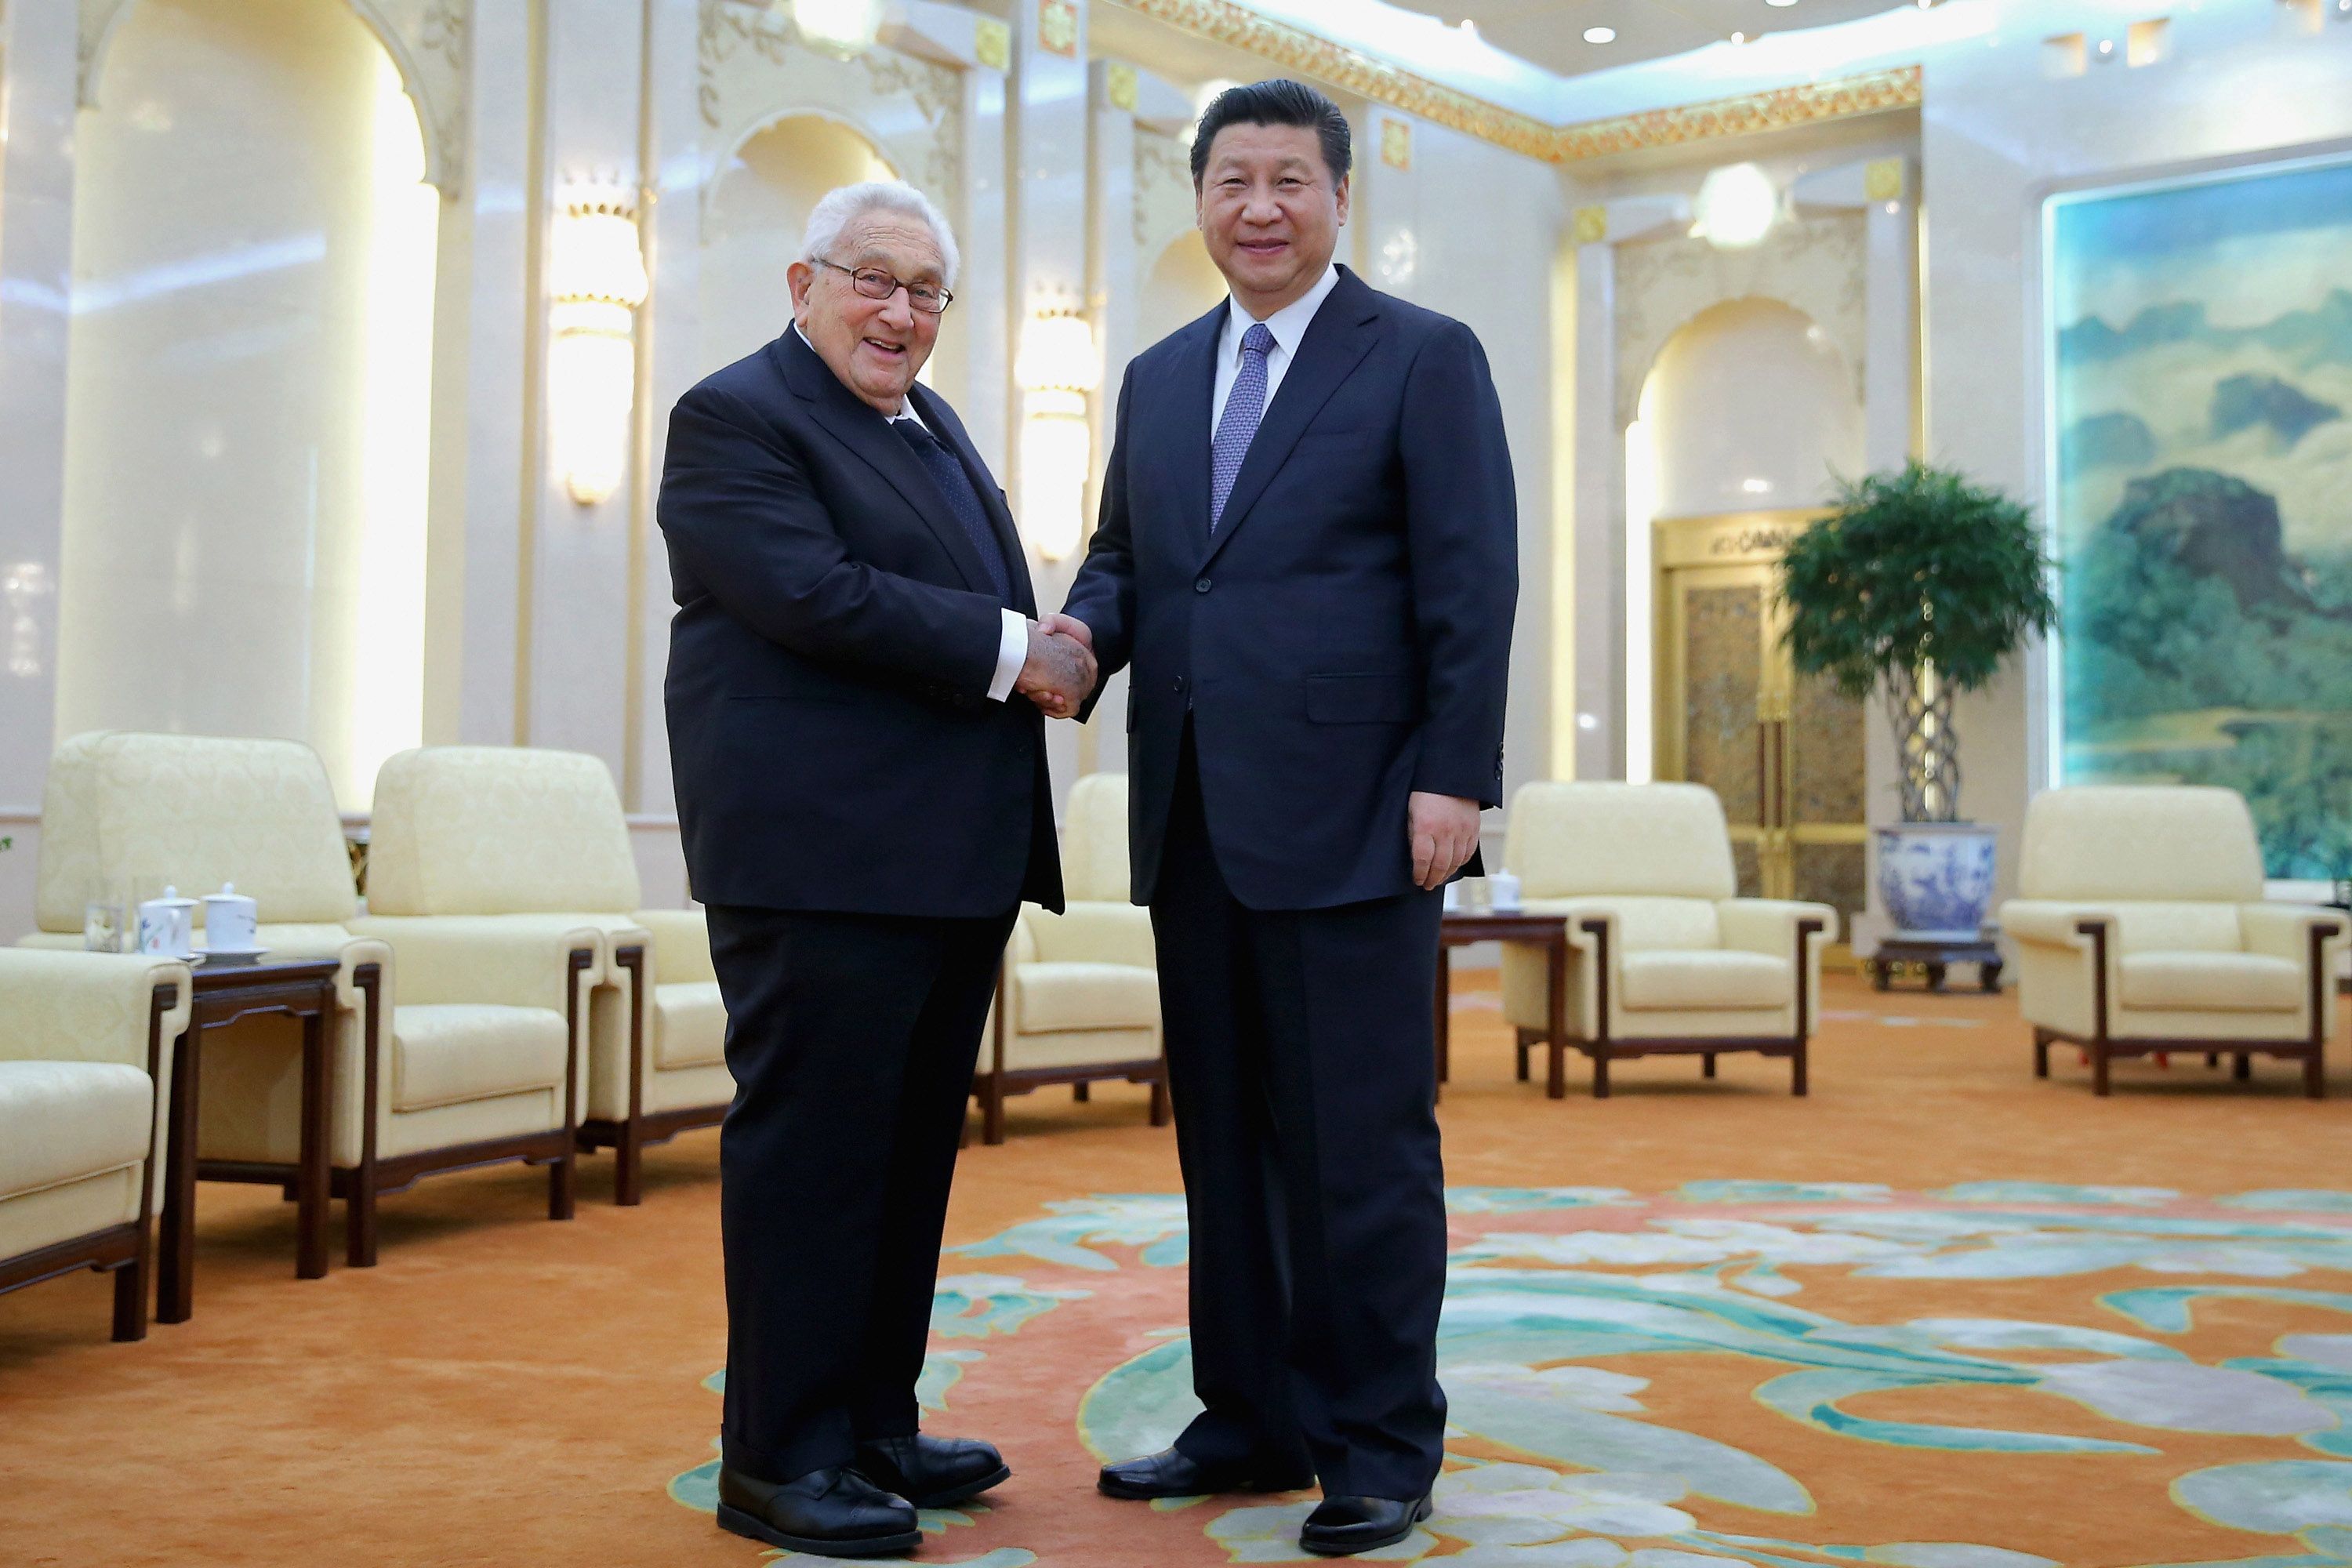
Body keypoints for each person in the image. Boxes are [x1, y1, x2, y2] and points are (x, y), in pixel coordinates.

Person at [1044, 78, 1518, 1559]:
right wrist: (1073, 637)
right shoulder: (1159, 374)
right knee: (1226, 1141)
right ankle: (1247, 1415)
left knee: (1359, 1144)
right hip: (1192, 813)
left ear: (1338, 199)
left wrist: (1457, 774)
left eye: (1289, 181)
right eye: (1232, 180)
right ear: (1198, 200)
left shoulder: (1423, 357)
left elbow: (1470, 581)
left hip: (1365, 815)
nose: (1259, 207)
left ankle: (1377, 1444)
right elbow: (1133, 559)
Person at [656, 180, 1094, 1559]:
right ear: (803, 282)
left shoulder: (932, 422)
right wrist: (1015, 647)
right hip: (819, 863)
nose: (899, 312)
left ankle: (870, 1428)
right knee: (815, 1163)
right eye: (872, 279)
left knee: (904, 1164)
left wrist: (1043, 632)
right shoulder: (734, 416)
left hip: (940, 864)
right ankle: (778, 1458)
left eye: (925, 292)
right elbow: (809, 594)